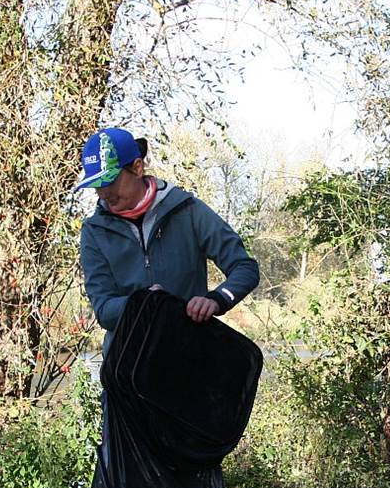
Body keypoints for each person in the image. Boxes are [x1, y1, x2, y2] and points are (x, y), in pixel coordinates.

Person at [75, 127, 259, 353]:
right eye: (97, 185)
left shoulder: (188, 211)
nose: (103, 193)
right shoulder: (94, 231)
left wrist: (218, 299)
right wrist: (143, 303)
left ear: (137, 167)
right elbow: (104, 311)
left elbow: (245, 268)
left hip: (190, 362)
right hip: (128, 371)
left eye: (110, 181)